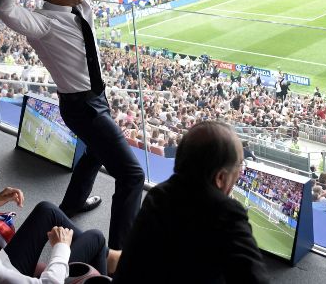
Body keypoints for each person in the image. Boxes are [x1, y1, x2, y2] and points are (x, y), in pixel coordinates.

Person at [0, 0, 146, 250]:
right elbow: (3, 8)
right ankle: (121, 255)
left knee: (95, 152)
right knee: (132, 175)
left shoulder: (80, 1)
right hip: (80, 107)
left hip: (96, 98)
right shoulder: (42, 24)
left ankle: (73, 203)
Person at [113, 121, 268, 284]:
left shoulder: (157, 196)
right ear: (221, 178)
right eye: (239, 166)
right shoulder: (227, 213)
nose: (239, 173)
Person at [0, 167, 120, 282]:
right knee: (95, 238)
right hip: (13, 273)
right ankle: (106, 260)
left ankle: (107, 256)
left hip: (4, 262)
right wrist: (62, 247)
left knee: (46, 210)